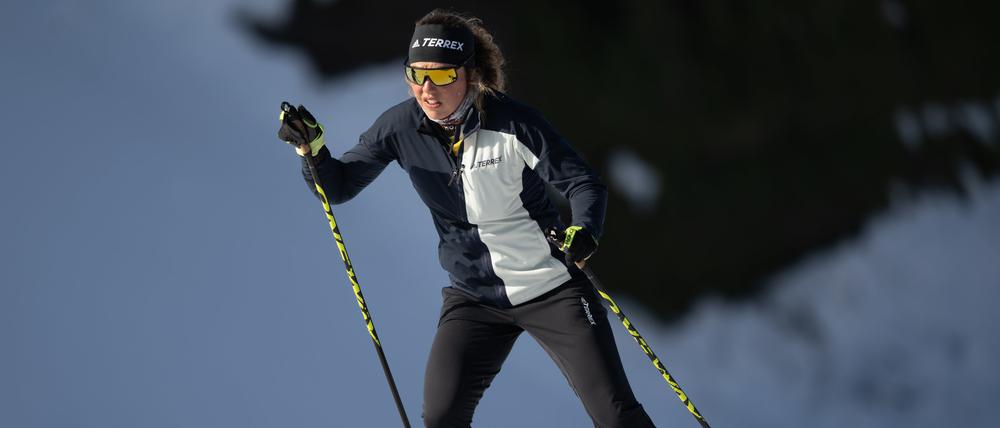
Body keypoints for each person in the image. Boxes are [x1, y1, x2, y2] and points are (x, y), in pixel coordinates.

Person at [278, 9, 655, 428]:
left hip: (551, 288)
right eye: (416, 74)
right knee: (441, 417)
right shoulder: (399, 127)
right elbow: (338, 187)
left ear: (470, 75)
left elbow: (583, 183)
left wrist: (584, 230)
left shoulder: (514, 123)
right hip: (475, 298)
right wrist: (312, 150)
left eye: (440, 76)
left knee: (615, 414)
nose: (426, 90)